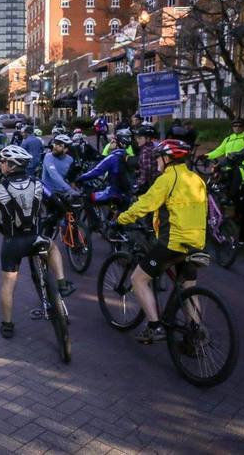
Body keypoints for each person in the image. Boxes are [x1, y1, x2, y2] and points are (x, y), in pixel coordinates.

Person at [114, 139, 207, 343]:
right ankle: (196, 334)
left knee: (138, 279)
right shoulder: (197, 179)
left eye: (158, 158)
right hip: (197, 243)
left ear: (167, 158)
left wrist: (120, 219)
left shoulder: (167, 180)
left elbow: (144, 205)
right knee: (190, 289)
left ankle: (154, 327)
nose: (157, 162)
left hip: (173, 243)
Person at [0, 145, 74, 339]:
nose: (0, 164)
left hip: (12, 243)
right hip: (36, 237)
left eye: (2, 161)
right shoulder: (38, 183)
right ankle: (62, 283)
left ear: (10, 165)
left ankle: (7, 325)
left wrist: (0, 229)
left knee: (7, 284)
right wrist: (52, 219)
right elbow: (57, 204)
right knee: (52, 248)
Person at [75, 129, 134, 206]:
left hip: (113, 192)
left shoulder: (113, 157)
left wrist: (80, 178)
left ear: (119, 143)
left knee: (86, 198)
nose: (111, 143)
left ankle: (96, 218)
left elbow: (96, 171)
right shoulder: (127, 156)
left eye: (113, 141)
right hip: (127, 193)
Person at [135, 124, 159, 194]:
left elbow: (147, 171)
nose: (137, 140)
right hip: (155, 182)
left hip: (148, 185)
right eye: (137, 138)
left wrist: (139, 183)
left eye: (140, 138)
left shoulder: (146, 151)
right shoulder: (153, 147)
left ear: (147, 139)